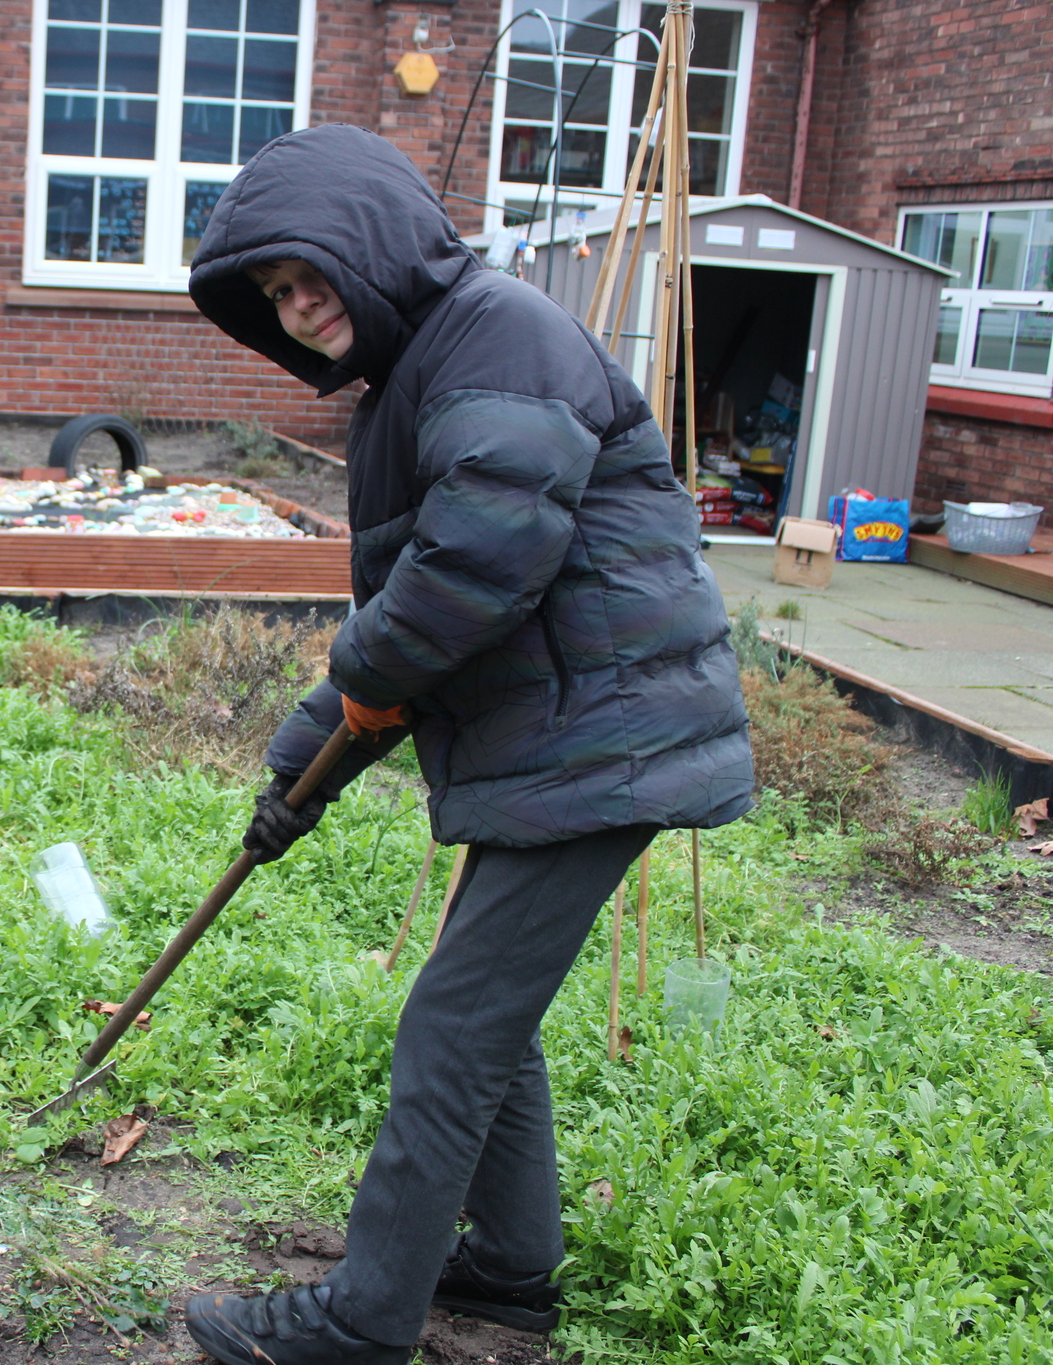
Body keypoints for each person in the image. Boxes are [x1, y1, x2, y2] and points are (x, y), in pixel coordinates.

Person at [179, 124, 754, 1364]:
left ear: (372, 240)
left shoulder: (496, 337)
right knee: (483, 1012)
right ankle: (507, 1270)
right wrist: (301, 770)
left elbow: (469, 574)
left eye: (307, 273)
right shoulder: (426, 366)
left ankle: (359, 1321)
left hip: (604, 740)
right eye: (273, 294)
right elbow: (416, 614)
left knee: (449, 1027)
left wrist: (354, 710)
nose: (296, 307)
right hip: (566, 736)